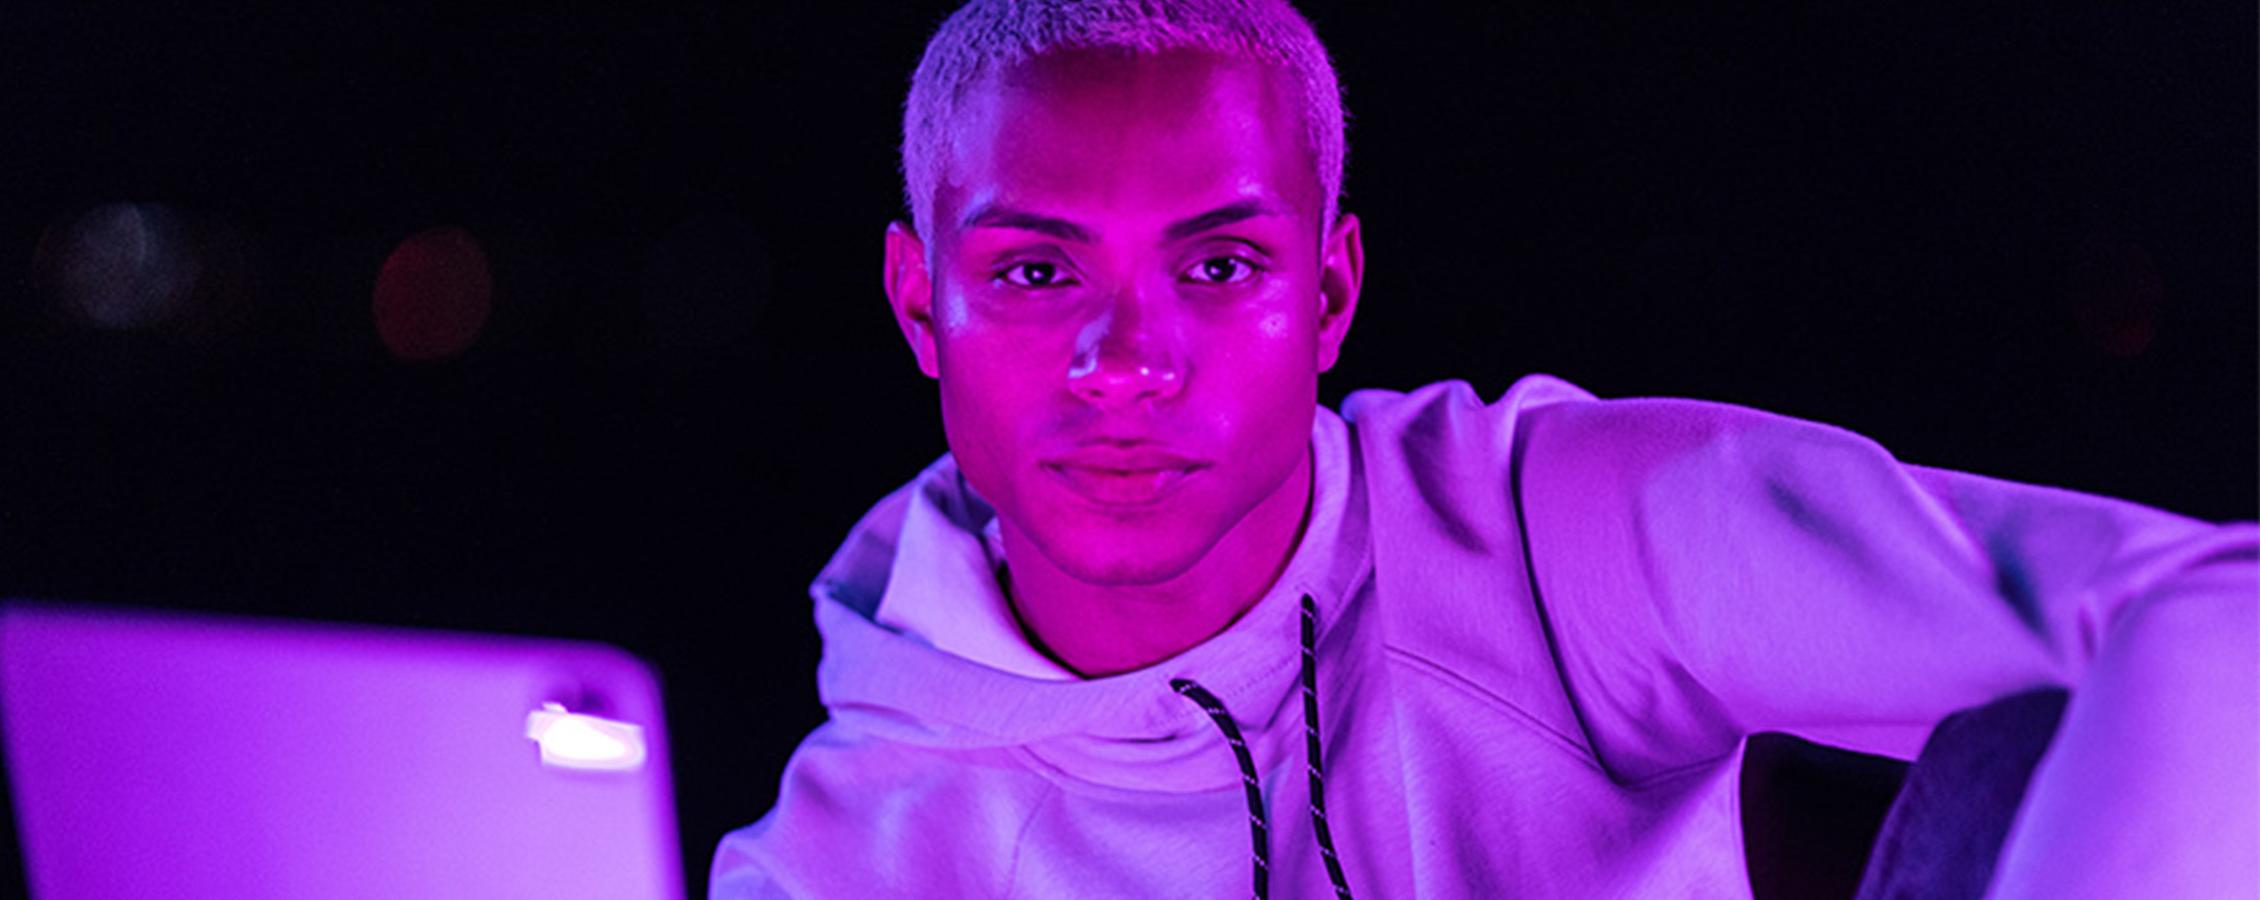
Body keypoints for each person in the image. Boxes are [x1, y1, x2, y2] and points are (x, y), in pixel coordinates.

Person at [711, 1, 2258, 896]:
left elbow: (2214, 610)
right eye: (1041, 274)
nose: (1128, 366)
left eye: (1219, 267)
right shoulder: (836, 859)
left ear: (1328, 293)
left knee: (2031, 749)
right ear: (926, 302)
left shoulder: (1545, 532)